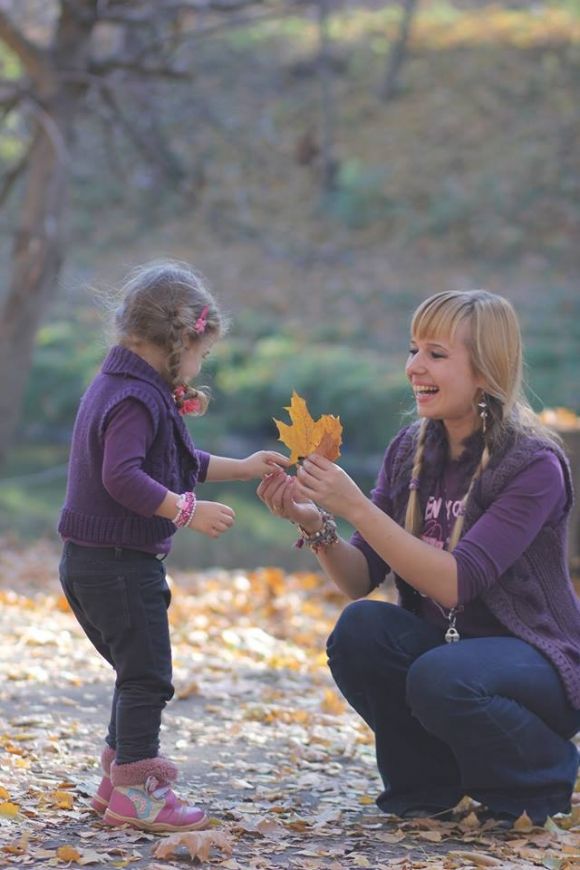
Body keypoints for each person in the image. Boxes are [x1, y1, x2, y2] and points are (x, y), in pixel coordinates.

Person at [257, 289, 580, 825]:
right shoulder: (411, 448)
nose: (414, 367)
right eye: (412, 350)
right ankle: (428, 787)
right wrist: (314, 522)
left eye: (435, 353)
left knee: (441, 675)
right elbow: (360, 580)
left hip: (537, 660)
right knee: (361, 629)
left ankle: (540, 776)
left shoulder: (532, 464)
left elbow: (458, 583)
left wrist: (356, 505)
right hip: (451, 656)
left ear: (484, 371)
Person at [58, 261, 288, 833]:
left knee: (134, 671)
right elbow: (125, 477)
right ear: (181, 340)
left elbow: (176, 461)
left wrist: (243, 469)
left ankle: (117, 785)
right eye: (202, 355)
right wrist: (187, 511)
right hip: (116, 565)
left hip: (92, 562)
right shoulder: (136, 399)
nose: (200, 366)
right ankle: (139, 795)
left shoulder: (127, 387)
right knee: (148, 676)